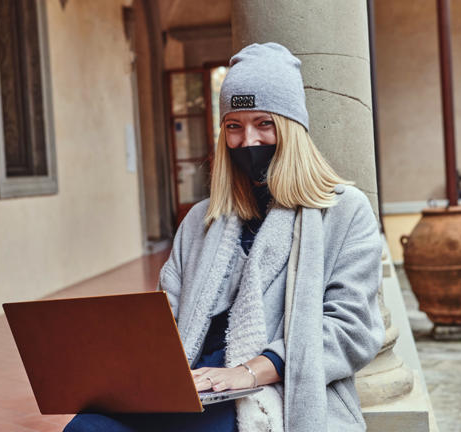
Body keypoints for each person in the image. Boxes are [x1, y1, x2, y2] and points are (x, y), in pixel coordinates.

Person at [64, 42, 384, 432]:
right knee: (87, 426)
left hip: (272, 385)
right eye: (234, 126)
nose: (247, 140)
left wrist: (247, 372)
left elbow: (351, 330)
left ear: (292, 128)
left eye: (264, 123)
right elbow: (167, 316)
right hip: (192, 385)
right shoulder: (201, 220)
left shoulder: (345, 212)